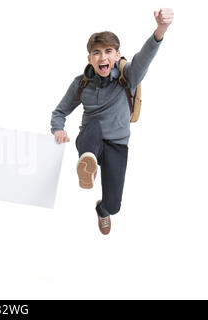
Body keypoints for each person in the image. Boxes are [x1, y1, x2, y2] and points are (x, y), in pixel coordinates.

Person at [50, 9, 174, 235]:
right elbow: (59, 112)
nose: (102, 57)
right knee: (93, 126)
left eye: (108, 51)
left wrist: (161, 29)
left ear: (117, 55)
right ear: (90, 59)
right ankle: (87, 162)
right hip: (90, 140)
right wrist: (58, 129)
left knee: (114, 205)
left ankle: (103, 210)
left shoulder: (129, 77)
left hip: (117, 144)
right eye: (96, 53)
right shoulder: (82, 83)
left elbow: (145, 56)